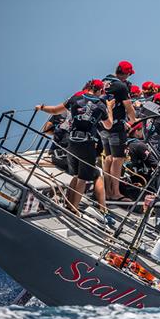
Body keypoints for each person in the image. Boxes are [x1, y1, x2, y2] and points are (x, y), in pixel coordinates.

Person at [36, 79, 114, 216]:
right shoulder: (101, 105)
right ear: (100, 91)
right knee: (83, 178)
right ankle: (73, 209)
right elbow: (109, 125)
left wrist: (41, 107)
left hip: (72, 142)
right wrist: (110, 109)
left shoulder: (75, 97)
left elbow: (54, 110)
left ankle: (69, 204)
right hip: (87, 144)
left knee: (76, 175)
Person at [101, 61, 138, 200]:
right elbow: (128, 108)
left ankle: (107, 190)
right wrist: (135, 121)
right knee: (118, 159)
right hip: (115, 128)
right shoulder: (121, 86)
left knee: (109, 158)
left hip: (103, 126)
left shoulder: (106, 81)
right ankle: (115, 193)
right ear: (126, 74)